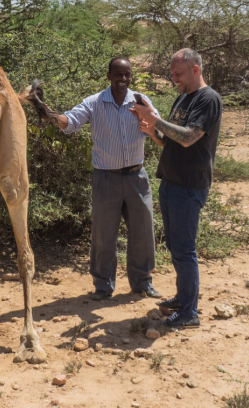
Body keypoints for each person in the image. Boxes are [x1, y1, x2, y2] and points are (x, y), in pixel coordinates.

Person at [32, 57, 162, 301]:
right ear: (109, 76)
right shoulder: (94, 103)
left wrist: (150, 122)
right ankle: (103, 286)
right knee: (104, 235)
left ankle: (143, 283)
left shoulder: (140, 100)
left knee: (143, 233)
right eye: (118, 74)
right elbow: (70, 122)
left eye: (127, 75)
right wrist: (47, 112)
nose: (123, 79)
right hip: (106, 178)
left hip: (137, 176)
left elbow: (157, 125)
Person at [129, 48, 222, 328]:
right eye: (172, 74)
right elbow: (170, 141)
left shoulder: (209, 99)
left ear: (195, 69)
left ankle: (190, 313)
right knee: (175, 246)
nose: (174, 79)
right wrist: (151, 130)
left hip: (189, 185)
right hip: (171, 182)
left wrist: (156, 119)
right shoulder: (183, 98)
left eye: (178, 74)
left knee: (184, 250)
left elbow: (187, 138)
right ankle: (183, 299)